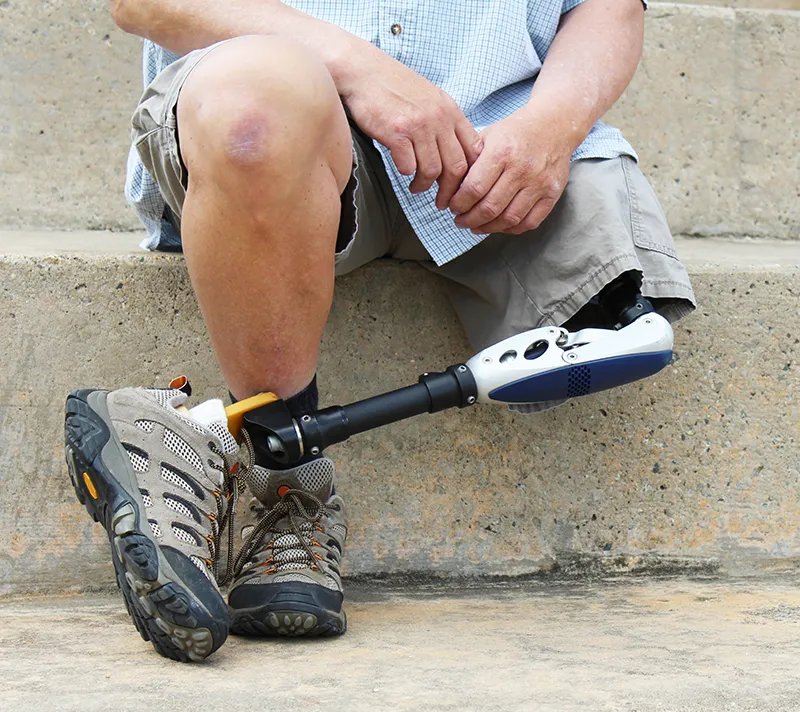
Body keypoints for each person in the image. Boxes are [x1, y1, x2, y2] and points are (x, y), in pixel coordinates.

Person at [65, 0, 696, 662]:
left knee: (626, 328)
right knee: (250, 112)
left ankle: (174, 436)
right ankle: (288, 484)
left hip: (502, 150)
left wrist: (553, 127)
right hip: (287, 122)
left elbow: (606, 7)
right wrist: (361, 69)